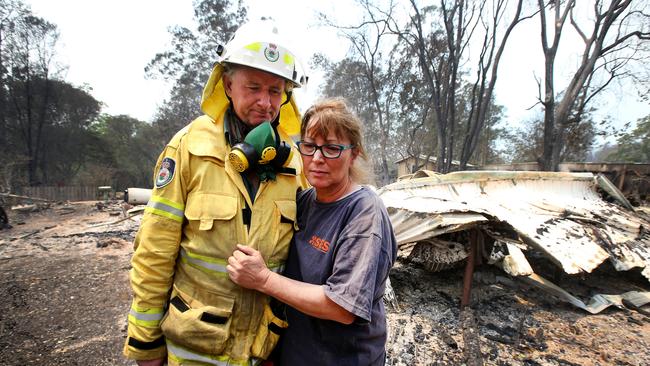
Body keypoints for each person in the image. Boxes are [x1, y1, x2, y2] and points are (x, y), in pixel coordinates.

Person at [123, 19, 309, 366]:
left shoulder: (294, 163)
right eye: (253, 87)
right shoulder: (189, 148)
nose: (265, 103)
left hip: (263, 351)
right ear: (226, 84)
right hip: (196, 350)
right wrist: (145, 343)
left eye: (275, 91)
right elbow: (154, 250)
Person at [227, 97, 398, 365]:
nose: (317, 158)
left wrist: (263, 279)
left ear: (353, 153)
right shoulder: (305, 202)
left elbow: (341, 307)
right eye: (309, 146)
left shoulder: (364, 212)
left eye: (331, 148)